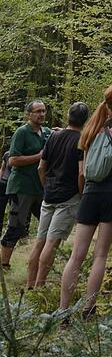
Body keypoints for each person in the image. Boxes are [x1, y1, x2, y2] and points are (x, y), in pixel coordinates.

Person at [59, 85, 112, 316]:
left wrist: (84, 193)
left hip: (90, 194)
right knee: (100, 255)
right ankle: (88, 308)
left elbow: (82, 172)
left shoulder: (91, 129)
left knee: (76, 256)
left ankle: (63, 311)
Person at [28, 102, 89, 288]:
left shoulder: (53, 136)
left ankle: (30, 285)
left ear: (68, 116)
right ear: (85, 119)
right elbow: (81, 173)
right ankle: (39, 286)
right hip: (67, 198)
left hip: (49, 195)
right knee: (52, 243)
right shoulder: (81, 140)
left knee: (40, 241)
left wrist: (46, 186)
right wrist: (80, 193)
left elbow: (41, 167)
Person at [1, 101, 51, 271]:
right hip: (21, 187)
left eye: (43, 111)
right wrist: (39, 156)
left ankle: (42, 262)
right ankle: (4, 265)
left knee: (48, 225)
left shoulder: (46, 132)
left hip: (40, 188)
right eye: (37, 111)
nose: (41, 114)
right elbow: (13, 160)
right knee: (16, 226)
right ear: (29, 114)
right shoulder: (22, 132)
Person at [0, 150, 11, 238]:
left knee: (14, 210)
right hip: (4, 183)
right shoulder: (7, 154)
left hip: (13, 186)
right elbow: (2, 168)